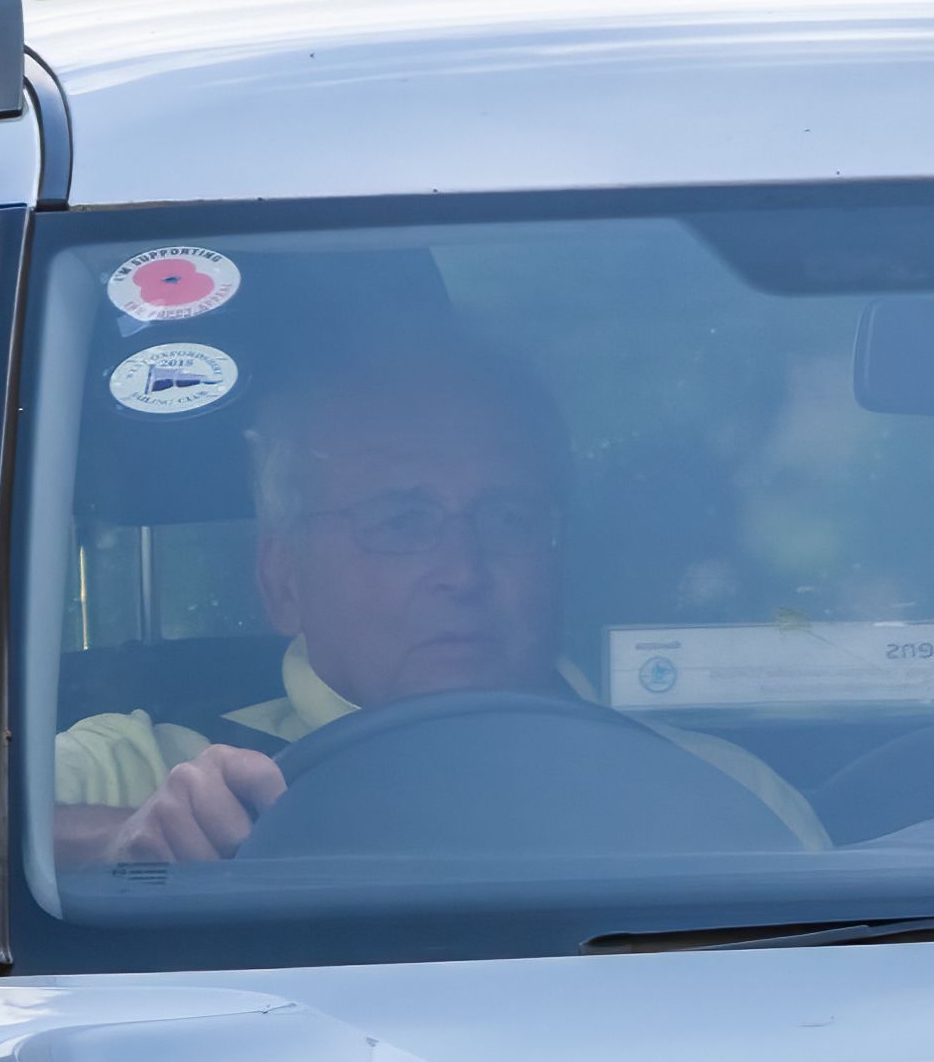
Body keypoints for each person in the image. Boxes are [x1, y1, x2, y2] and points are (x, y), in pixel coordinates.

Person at [54, 330, 822, 863]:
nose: (462, 568)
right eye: (401, 521)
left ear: (560, 560)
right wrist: (125, 844)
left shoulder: (719, 799)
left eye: (509, 519)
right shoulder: (133, 773)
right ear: (283, 579)